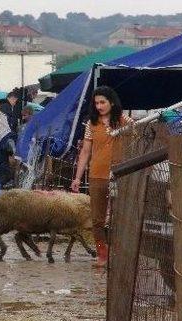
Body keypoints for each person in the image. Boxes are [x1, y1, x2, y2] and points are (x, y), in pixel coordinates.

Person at [71, 86, 133, 267]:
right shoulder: (91, 124)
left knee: (121, 216)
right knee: (97, 220)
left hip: (122, 174)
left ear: (111, 102)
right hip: (97, 175)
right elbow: (85, 152)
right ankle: (102, 254)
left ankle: (121, 254)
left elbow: (137, 139)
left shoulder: (124, 121)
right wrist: (77, 177)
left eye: (102, 102)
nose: (99, 106)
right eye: (96, 103)